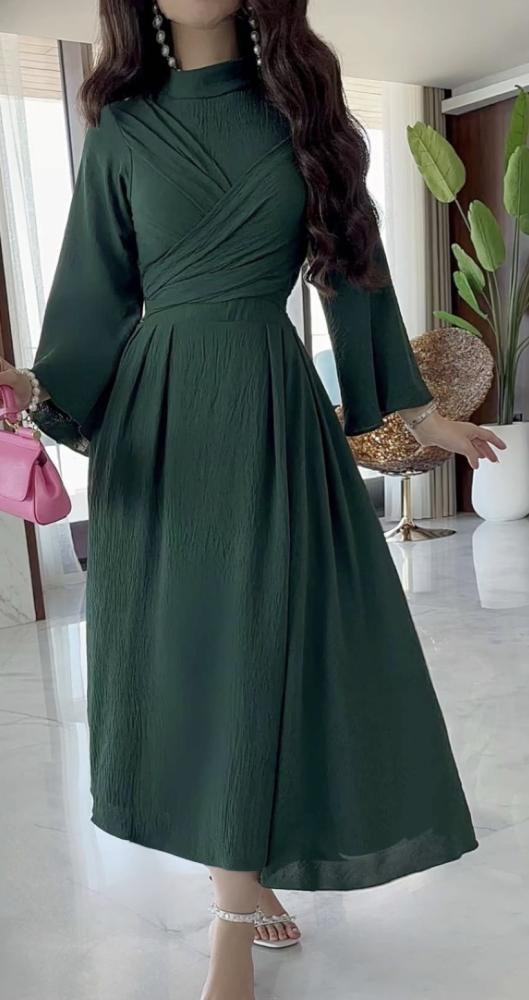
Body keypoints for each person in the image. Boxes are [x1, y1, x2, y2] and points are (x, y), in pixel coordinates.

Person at [0, 2, 505, 998]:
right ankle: (237, 889)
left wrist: (421, 413)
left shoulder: (303, 114)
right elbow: (94, 299)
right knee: (192, 656)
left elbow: (352, 275)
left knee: (268, 646)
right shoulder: (123, 130)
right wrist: (32, 387)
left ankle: (241, 886)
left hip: (271, 412)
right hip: (158, 425)